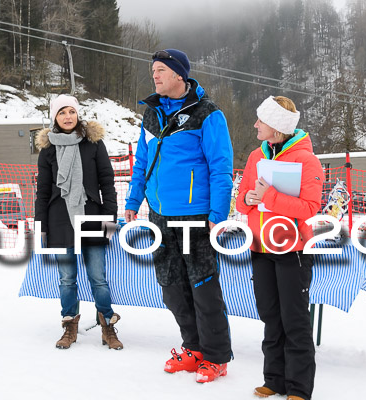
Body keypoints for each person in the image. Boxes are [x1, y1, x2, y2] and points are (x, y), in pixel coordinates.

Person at [124, 49, 234, 383]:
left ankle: (216, 356)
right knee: (171, 287)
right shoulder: (151, 114)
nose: (154, 76)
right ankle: (194, 348)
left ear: (178, 75)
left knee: (202, 286)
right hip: (159, 215)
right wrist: (133, 200)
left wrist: (218, 212)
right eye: (152, 71)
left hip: (196, 217)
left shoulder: (207, 114)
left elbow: (221, 168)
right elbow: (142, 162)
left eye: (160, 70)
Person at [236, 96, 323, 400]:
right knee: (271, 316)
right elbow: (242, 198)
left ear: (276, 127)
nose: (256, 125)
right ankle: (274, 379)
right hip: (260, 248)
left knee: (294, 320)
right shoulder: (253, 158)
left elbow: (310, 208)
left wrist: (269, 197)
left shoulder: (306, 160)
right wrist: (247, 200)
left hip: (292, 251)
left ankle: (299, 388)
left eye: (261, 121)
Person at [34, 94, 123, 350]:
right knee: (66, 278)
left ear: (77, 114)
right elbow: (42, 190)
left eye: (71, 112)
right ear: (55, 117)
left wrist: (110, 218)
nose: (67, 117)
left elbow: (107, 181)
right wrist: (41, 224)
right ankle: (69, 326)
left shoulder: (93, 143)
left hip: (92, 216)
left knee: (98, 277)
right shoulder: (48, 148)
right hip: (59, 219)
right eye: (62, 113)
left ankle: (107, 325)